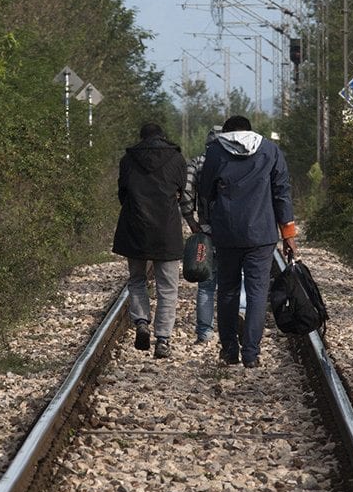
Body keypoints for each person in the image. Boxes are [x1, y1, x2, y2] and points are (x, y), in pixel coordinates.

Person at [198, 115, 298, 368]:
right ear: (250, 131)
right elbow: (282, 193)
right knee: (256, 293)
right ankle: (251, 354)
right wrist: (288, 235)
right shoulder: (270, 150)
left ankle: (229, 351)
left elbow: (205, 191)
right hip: (261, 235)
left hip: (227, 234)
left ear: (227, 132)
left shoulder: (216, 151)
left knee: (228, 291)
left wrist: (207, 223)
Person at [112, 123, 187, 359]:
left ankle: (142, 322)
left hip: (135, 228)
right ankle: (163, 339)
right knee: (168, 288)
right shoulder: (176, 159)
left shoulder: (128, 159)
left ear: (141, 138)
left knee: (136, 279)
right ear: (163, 137)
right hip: (166, 230)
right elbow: (182, 192)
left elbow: (122, 194)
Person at [180, 126, 222, 344]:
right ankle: (238, 315)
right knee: (236, 279)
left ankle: (205, 332)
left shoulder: (196, 163)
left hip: (206, 230)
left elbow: (186, 194)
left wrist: (191, 221)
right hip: (234, 232)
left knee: (206, 283)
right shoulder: (236, 162)